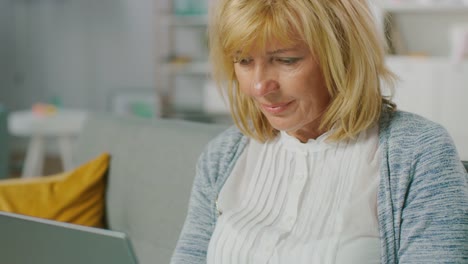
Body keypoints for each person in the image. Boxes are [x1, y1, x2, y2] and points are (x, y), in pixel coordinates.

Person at [171, 0, 468, 263]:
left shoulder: (419, 153)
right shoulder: (222, 155)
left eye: (286, 60)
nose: (260, 86)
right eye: (244, 60)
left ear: (343, 56)